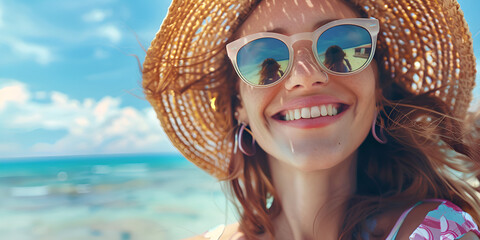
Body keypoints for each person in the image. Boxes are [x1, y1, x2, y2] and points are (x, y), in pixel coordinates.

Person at [142, 0, 480, 239]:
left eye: (342, 46)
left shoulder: (434, 232)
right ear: (238, 106)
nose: (304, 77)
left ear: (378, 90)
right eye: (266, 59)